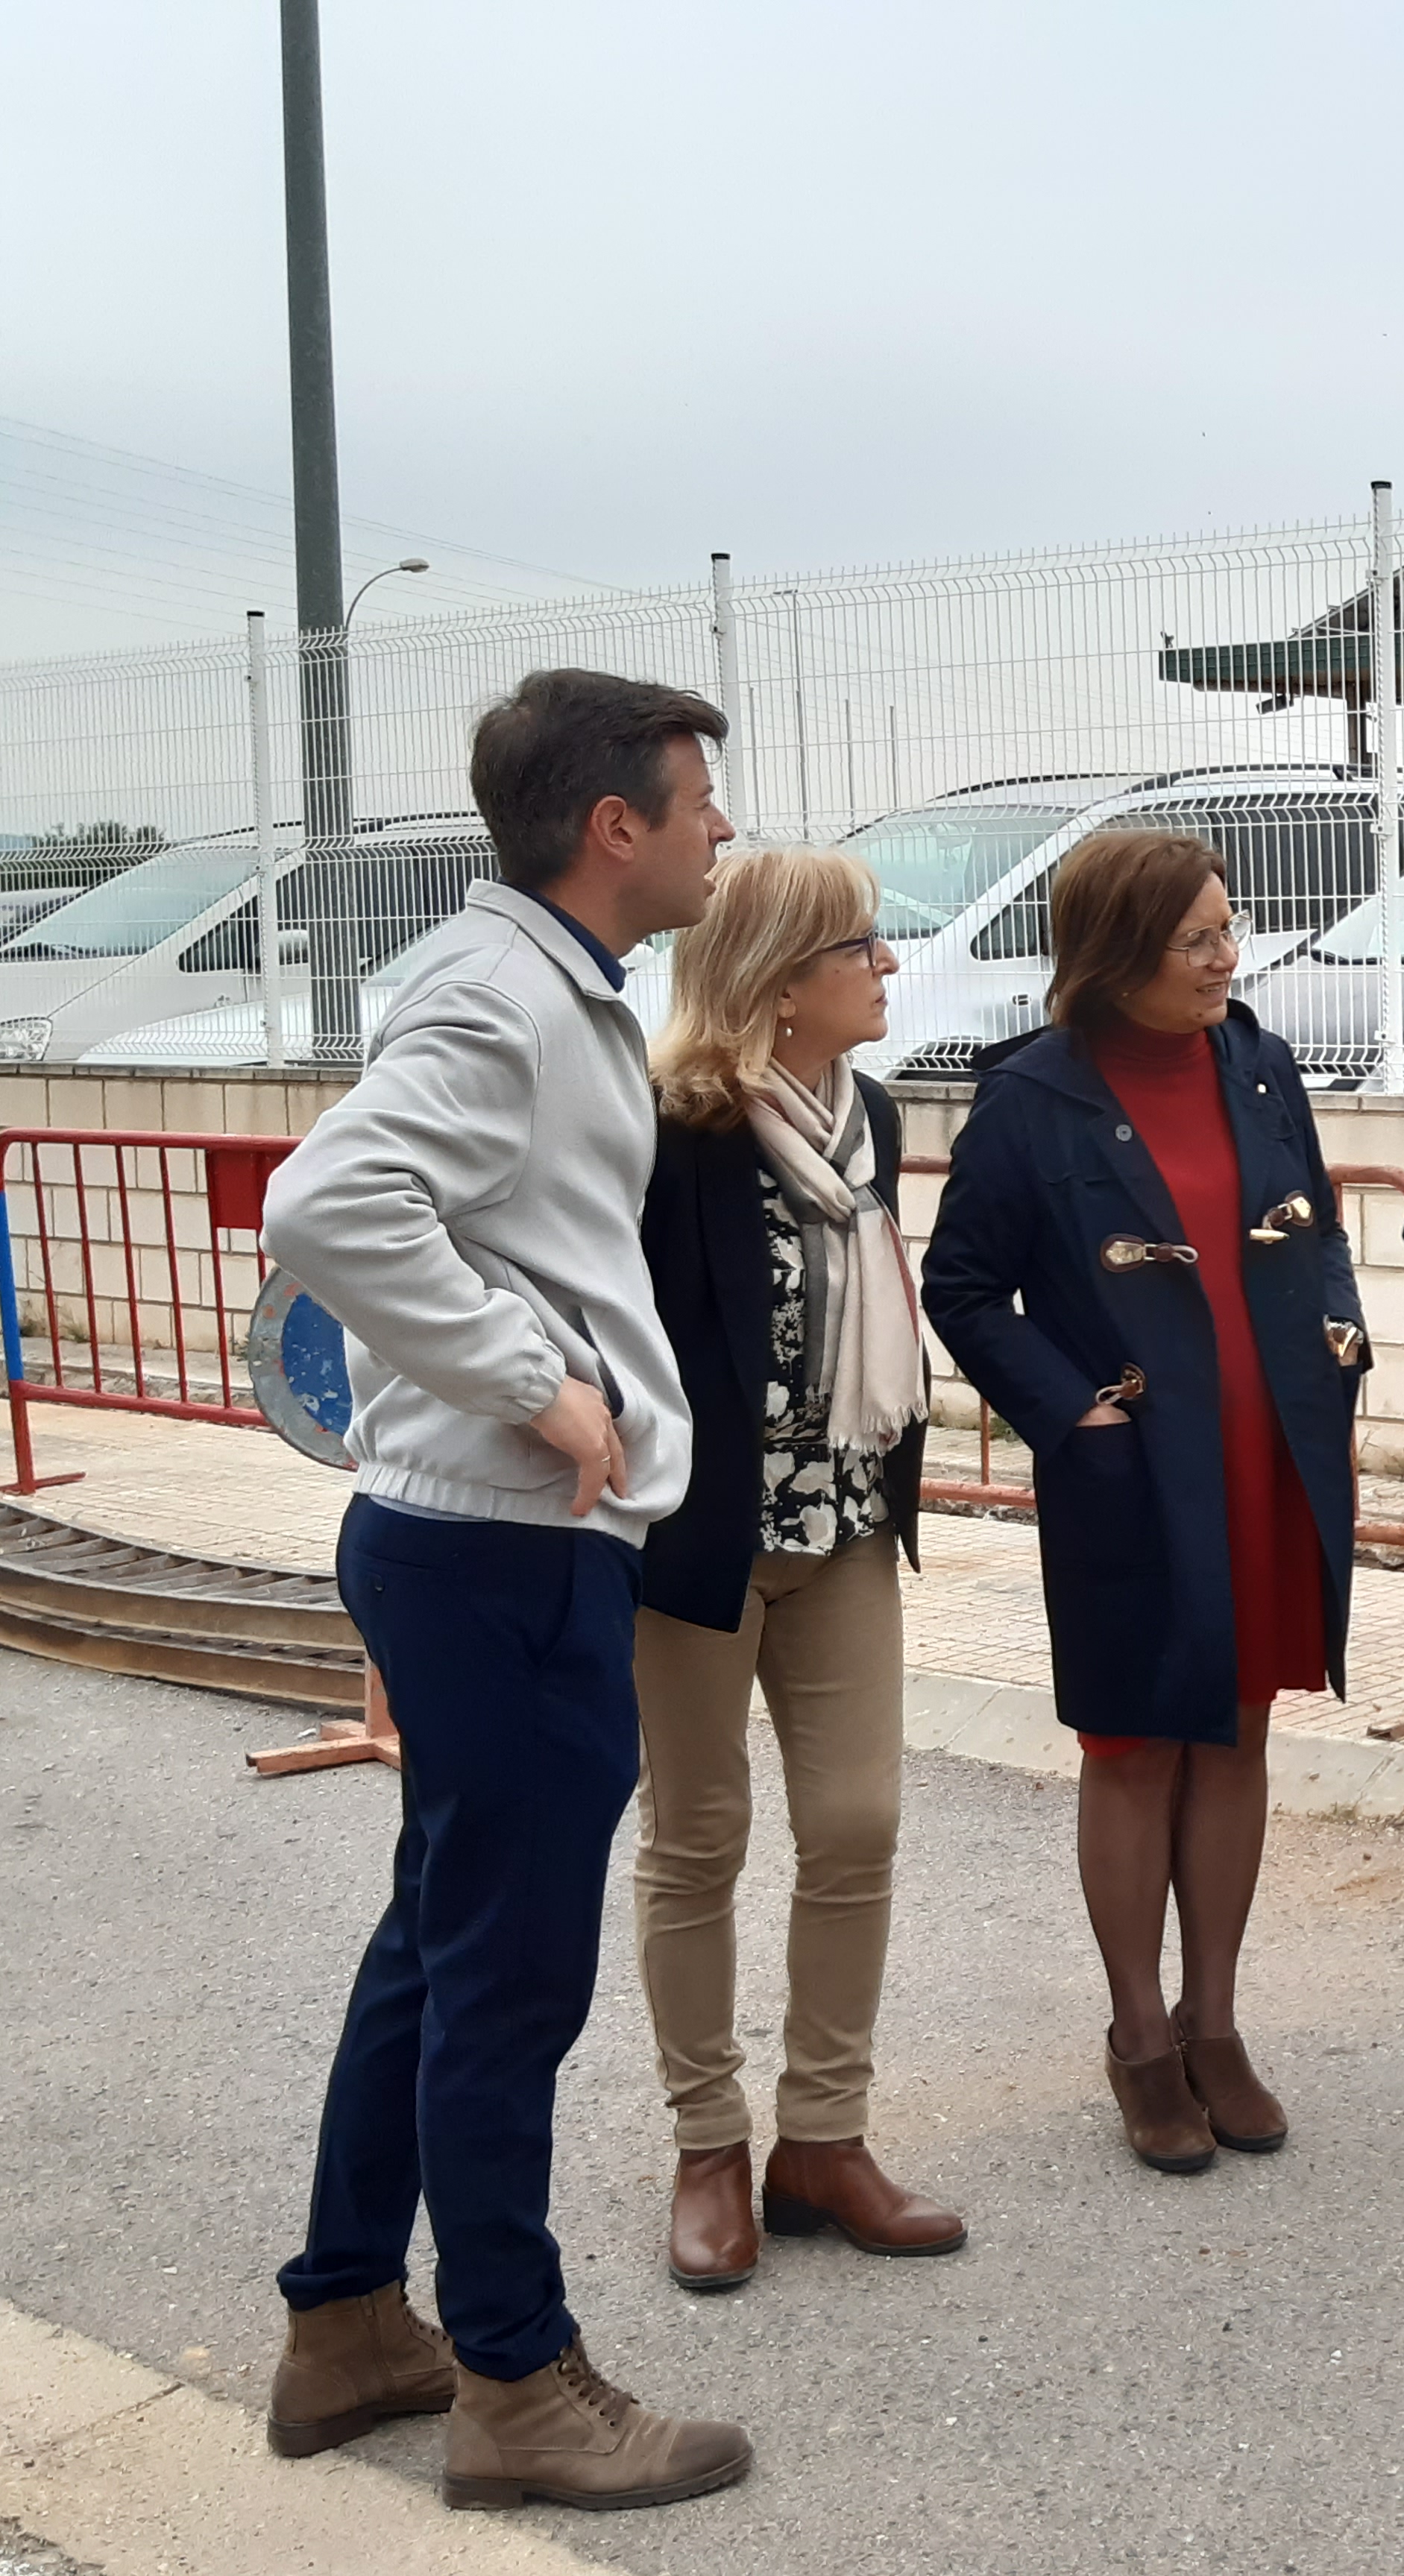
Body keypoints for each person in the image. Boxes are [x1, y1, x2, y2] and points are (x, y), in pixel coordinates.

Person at [261, 668, 753, 2513]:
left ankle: (345, 2323)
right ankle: (516, 2379)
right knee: (507, 1976)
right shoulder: (501, 994)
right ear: (614, 825)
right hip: (502, 1545)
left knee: (441, 1940)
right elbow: (327, 1205)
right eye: (696, 800)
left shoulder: (547, 984)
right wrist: (532, 1380)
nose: (719, 829)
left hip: (478, 1538)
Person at [922, 830, 1367, 2176]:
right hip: (1134, 1471)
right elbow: (962, 1289)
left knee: (1238, 1729)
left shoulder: (1259, 1063)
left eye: (1231, 928)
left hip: (1268, 1455)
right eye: (1197, 940)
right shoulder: (1032, 1099)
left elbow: (1318, 1228)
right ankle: (1136, 2037)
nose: (1228, 958)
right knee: (1133, 1744)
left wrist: (1339, 1345)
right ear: (1118, 953)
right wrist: (1075, 1414)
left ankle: (1212, 2022)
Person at [633, 845, 958, 2289]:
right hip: (702, 1542)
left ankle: (822, 2139)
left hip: (845, 1530)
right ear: (776, 982)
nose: (886, 967)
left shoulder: (865, 1113)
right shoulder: (673, 1130)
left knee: (858, 1825)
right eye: (858, 948)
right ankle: (709, 2143)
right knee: (699, 1839)